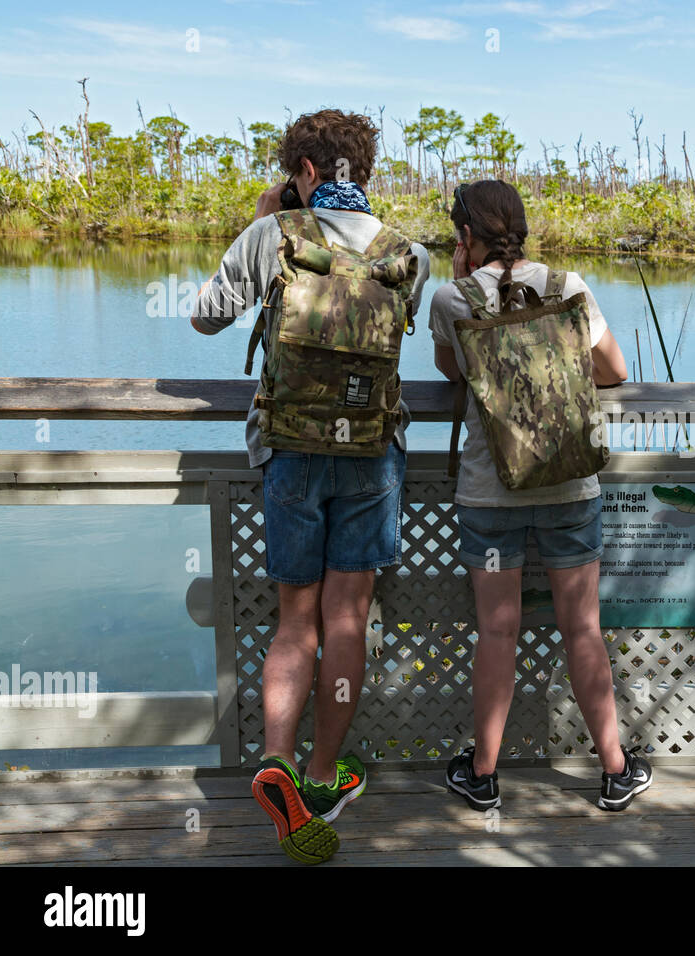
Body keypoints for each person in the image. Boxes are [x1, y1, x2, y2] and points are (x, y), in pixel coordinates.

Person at [192, 109, 431, 863]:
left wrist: (265, 219)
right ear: (364, 168)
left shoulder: (274, 237)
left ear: (301, 170)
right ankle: (326, 777)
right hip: (371, 453)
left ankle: (276, 761)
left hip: (290, 452)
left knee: (295, 622)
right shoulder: (409, 254)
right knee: (347, 620)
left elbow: (205, 317)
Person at [429, 180, 653, 811]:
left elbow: (454, 370)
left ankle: (484, 774)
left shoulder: (452, 297)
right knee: (582, 628)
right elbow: (615, 371)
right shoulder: (570, 288)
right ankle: (614, 769)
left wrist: (461, 273)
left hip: (489, 494)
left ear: (466, 235)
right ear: (522, 228)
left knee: (497, 632)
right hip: (568, 485)